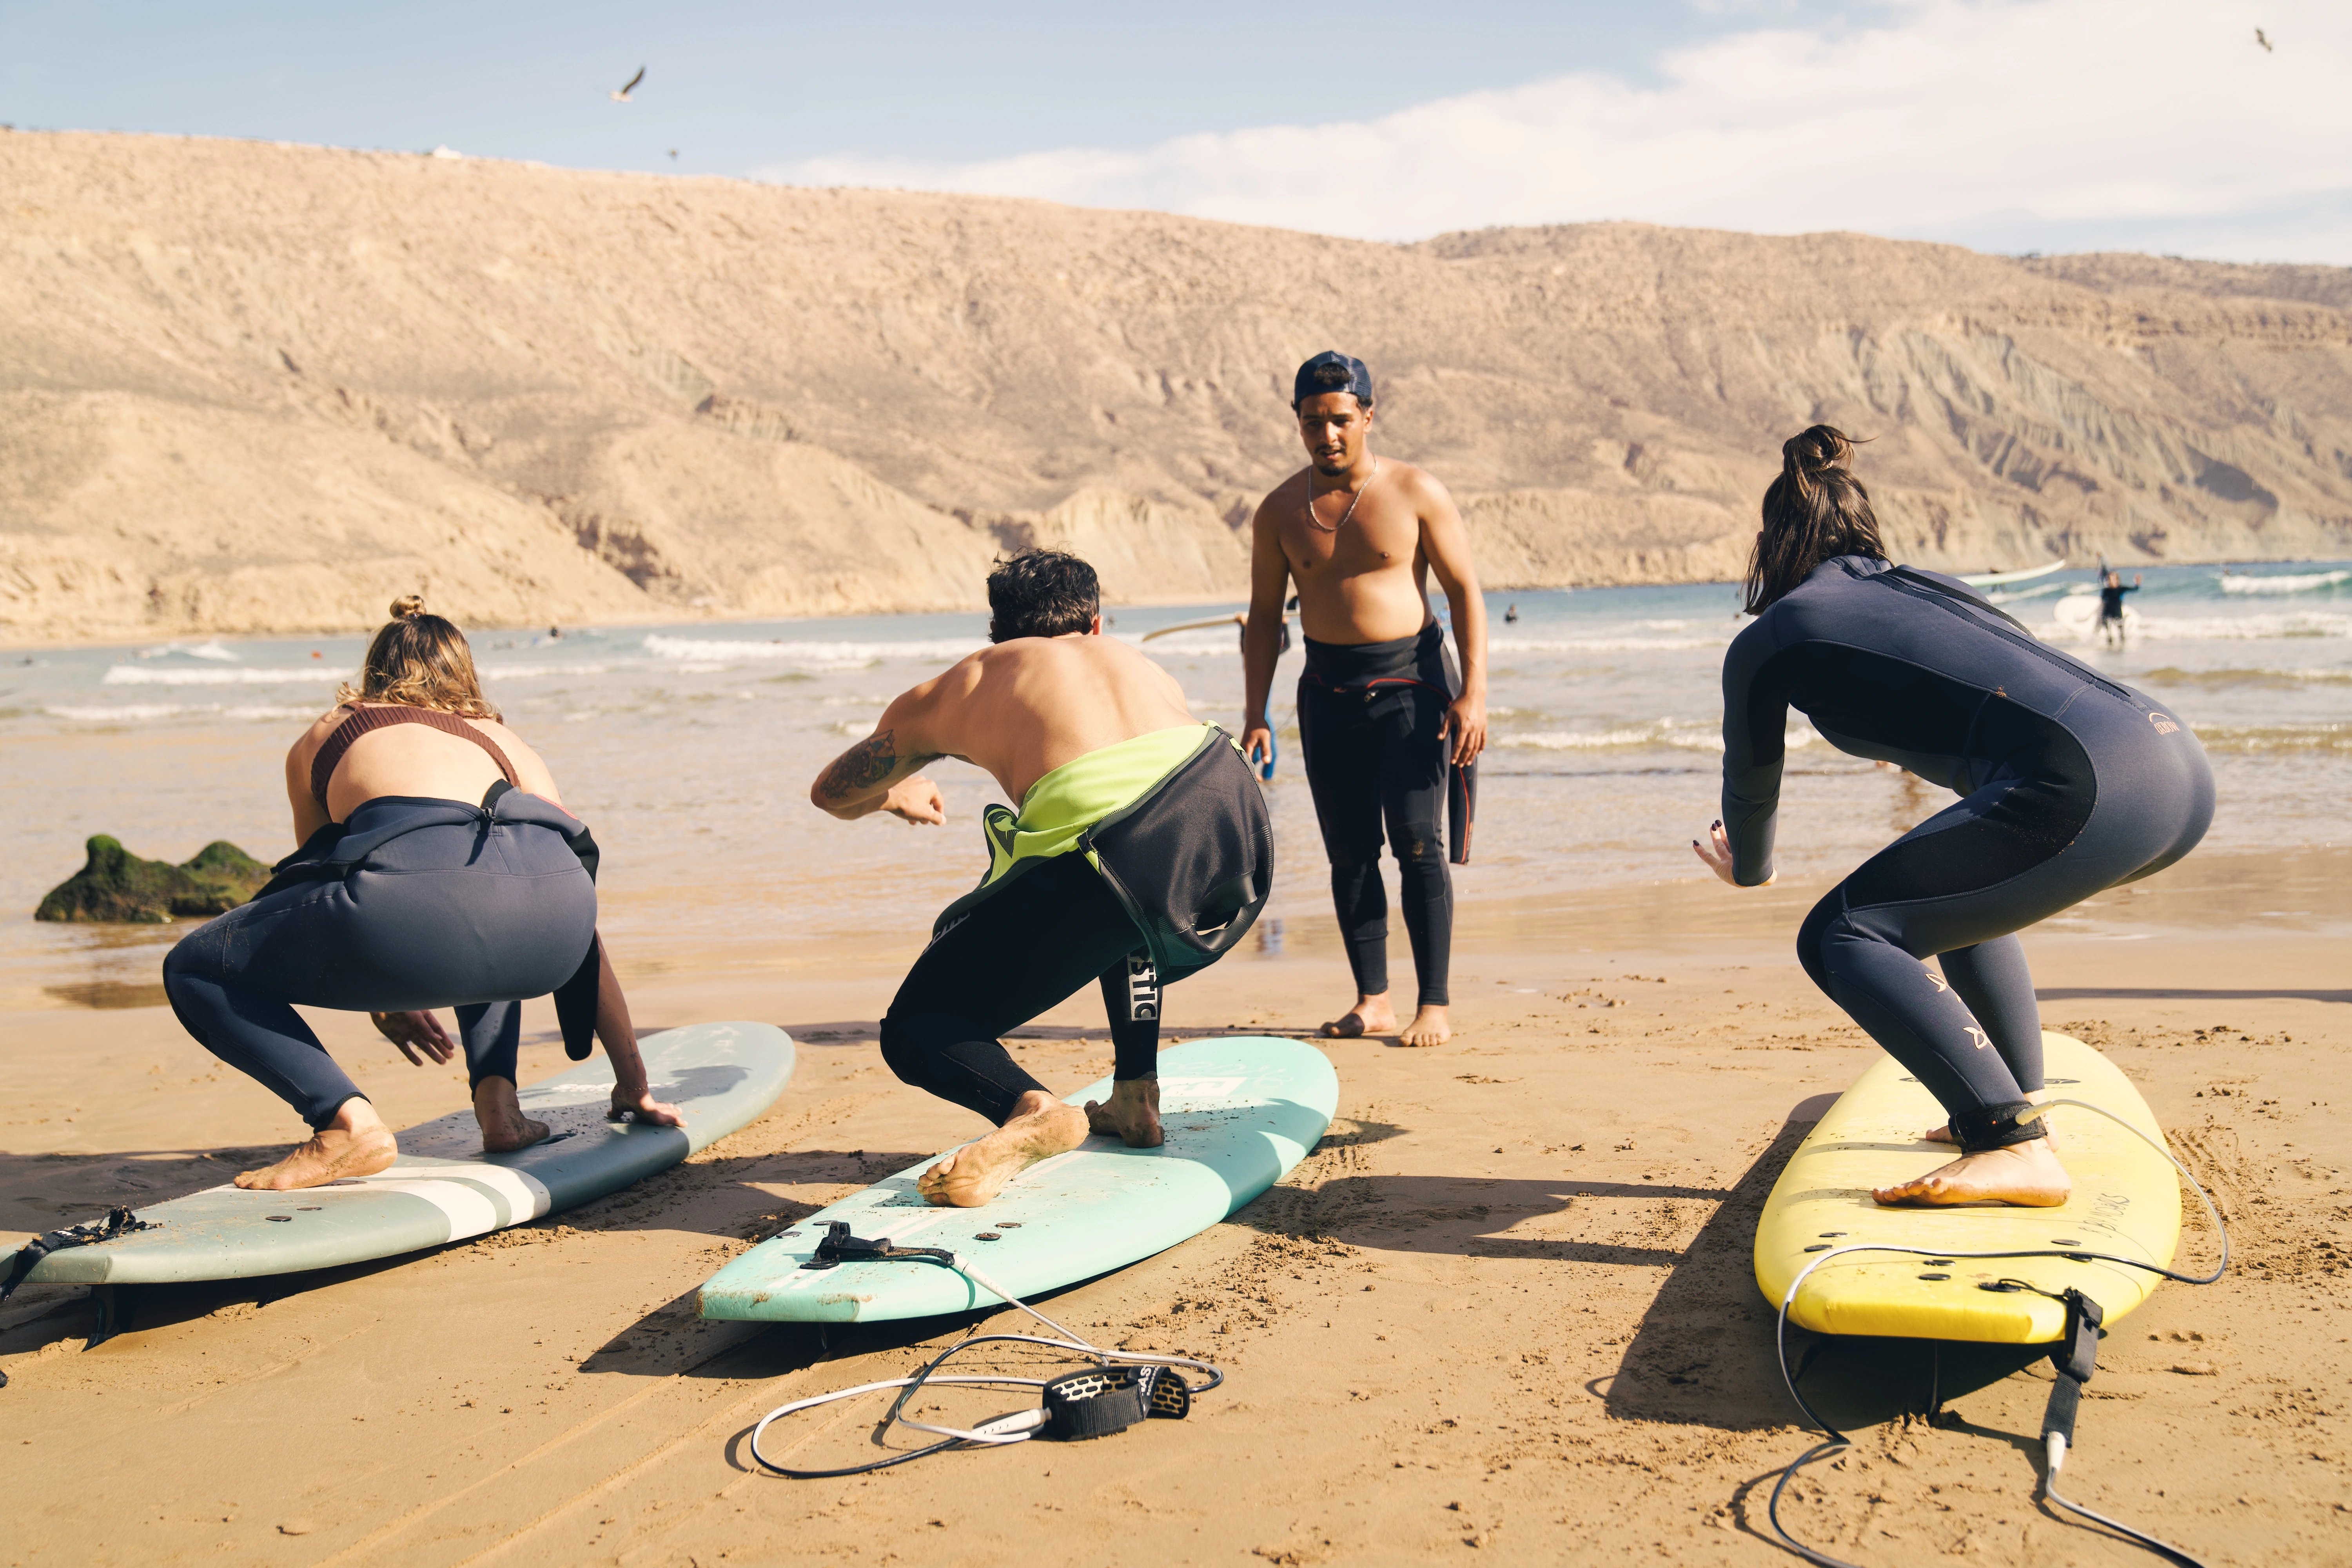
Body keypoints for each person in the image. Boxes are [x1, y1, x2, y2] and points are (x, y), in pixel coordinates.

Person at [1691, 428, 2212, 1206]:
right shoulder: (1932, 588)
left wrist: (1753, 867)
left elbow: (1753, 783)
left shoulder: (1772, 638)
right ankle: (2019, 1103)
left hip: (2091, 781)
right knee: (1953, 903)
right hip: (2175, 766)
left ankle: (2009, 1140)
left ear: (1773, 542)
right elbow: (2007, 685)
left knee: (1841, 933)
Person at [161, 597, 682, 1191]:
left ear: (374, 671)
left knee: (194, 968)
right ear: (466, 674)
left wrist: (385, 993)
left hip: (411, 912)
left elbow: (325, 882)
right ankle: (501, 1112)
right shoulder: (503, 741)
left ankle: (344, 1121)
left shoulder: (330, 732)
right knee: (491, 880)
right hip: (553, 931)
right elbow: (564, 906)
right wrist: (634, 1085)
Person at [812, 550, 1273, 1208]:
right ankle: (1136, 1095)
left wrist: (894, 797)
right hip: (1229, 808)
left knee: (918, 1027)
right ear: (1096, 623)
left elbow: (830, 792)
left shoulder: (970, 680)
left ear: (998, 636)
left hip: (1116, 841)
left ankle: (1031, 1109)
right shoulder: (1132, 660)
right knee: (1129, 901)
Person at [1241, 350, 1487, 1047]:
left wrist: (1475, 694)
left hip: (1411, 685)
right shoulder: (1280, 511)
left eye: (1341, 419)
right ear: (1298, 422)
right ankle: (1372, 1000)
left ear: (1367, 416)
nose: (1328, 434)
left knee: (1417, 843)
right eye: (1313, 421)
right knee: (1348, 852)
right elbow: (1265, 618)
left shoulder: (1416, 492)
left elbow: (1465, 591)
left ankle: (1432, 1004)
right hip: (1326, 692)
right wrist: (1255, 712)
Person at [2098, 569, 2141, 646]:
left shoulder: (2121, 589)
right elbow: (2102, 601)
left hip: (2118, 613)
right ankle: (2109, 649)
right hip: (2107, 614)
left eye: (2113, 579)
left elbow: (2135, 589)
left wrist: (2137, 584)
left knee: (2121, 634)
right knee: (2109, 636)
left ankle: (2122, 648)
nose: (2111, 581)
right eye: (2109, 579)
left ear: (2117, 580)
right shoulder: (2106, 590)